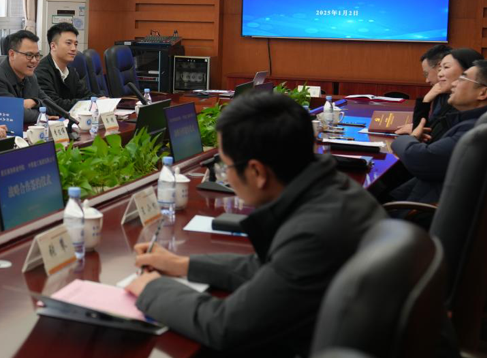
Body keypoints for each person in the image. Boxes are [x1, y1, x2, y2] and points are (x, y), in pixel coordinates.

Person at [125, 92, 386, 357]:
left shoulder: (314, 232)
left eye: (225, 167)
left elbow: (224, 326)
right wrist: (182, 264)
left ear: (257, 172)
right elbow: (272, 268)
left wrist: (152, 289)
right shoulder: (333, 188)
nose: (225, 177)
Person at [390, 59, 487, 203]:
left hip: (423, 210)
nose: (454, 83)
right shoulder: (469, 121)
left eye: (462, 79)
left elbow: (423, 160)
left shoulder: (475, 129)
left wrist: (407, 138)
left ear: (483, 93)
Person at [0, 30, 43, 124]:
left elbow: (51, 105)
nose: (34, 60)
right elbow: (14, 113)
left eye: (37, 55)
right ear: (12, 54)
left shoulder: (30, 77)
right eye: (29, 55)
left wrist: (35, 102)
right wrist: (42, 115)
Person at [35, 22, 94, 112]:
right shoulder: (41, 72)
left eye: (75, 44)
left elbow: (86, 94)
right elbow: (55, 105)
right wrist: (90, 102)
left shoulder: (71, 71)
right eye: (68, 43)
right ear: (53, 46)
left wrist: (99, 99)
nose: (74, 48)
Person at [397, 44, 453, 135]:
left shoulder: (456, 97)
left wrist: (416, 128)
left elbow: (432, 133)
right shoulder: (439, 91)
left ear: (440, 67)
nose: (427, 80)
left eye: (426, 74)